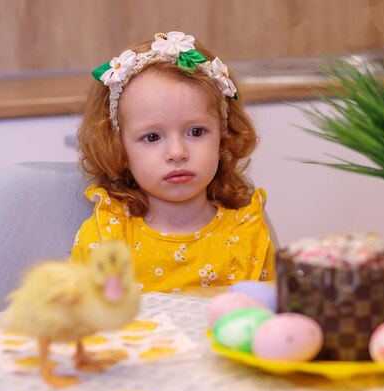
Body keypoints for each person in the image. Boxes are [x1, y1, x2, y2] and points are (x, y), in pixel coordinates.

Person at [71, 31, 275, 293]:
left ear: (223, 136)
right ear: (119, 148)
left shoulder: (247, 236)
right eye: (152, 137)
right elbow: (80, 321)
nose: (177, 152)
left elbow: (268, 323)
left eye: (196, 132)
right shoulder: (105, 238)